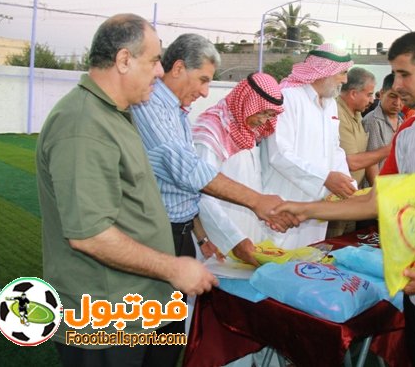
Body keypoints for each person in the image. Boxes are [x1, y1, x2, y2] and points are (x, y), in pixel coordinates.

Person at [274, 31, 415, 366]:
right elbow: (375, 201)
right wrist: (304, 209)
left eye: (404, 74)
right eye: (395, 74)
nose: (396, 85)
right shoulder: (408, 133)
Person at [37, 14, 218, 367]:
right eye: (154, 61)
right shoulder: (83, 124)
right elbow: (89, 235)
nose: (159, 72)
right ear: (123, 60)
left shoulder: (116, 114)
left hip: (131, 302)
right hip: (104, 314)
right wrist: (172, 267)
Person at [131, 34, 297, 267]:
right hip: (161, 234)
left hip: (187, 232)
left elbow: (187, 193)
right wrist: (254, 205)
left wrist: (201, 236)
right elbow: (189, 171)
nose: (205, 92)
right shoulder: (152, 105)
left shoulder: (177, 112)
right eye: (203, 80)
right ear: (178, 68)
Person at [261, 43, 355, 249]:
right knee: (277, 257)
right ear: (324, 71)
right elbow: (279, 153)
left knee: (308, 257)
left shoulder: (330, 104)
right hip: (285, 200)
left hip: (318, 204)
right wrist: (325, 179)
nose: (345, 80)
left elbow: (335, 149)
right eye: (342, 73)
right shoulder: (288, 97)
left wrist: (348, 185)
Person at [192, 72, 284, 260]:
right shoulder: (211, 129)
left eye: (269, 115)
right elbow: (202, 194)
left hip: (247, 235)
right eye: (262, 112)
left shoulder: (249, 133)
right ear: (247, 102)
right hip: (218, 240)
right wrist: (234, 240)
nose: (263, 121)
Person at [330, 67, 390, 236]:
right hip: (335, 200)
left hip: (351, 199)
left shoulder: (356, 115)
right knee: (331, 246)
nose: (372, 100)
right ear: (353, 94)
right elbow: (352, 162)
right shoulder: (337, 114)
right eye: (369, 94)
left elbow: (366, 158)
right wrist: (389, 149)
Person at [362, 73, 402, 169]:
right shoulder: (373, 121)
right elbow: (370, 164)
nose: (397, 103)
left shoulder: (402, 122)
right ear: (382, 93)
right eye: (393, 96)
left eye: (402, 97)